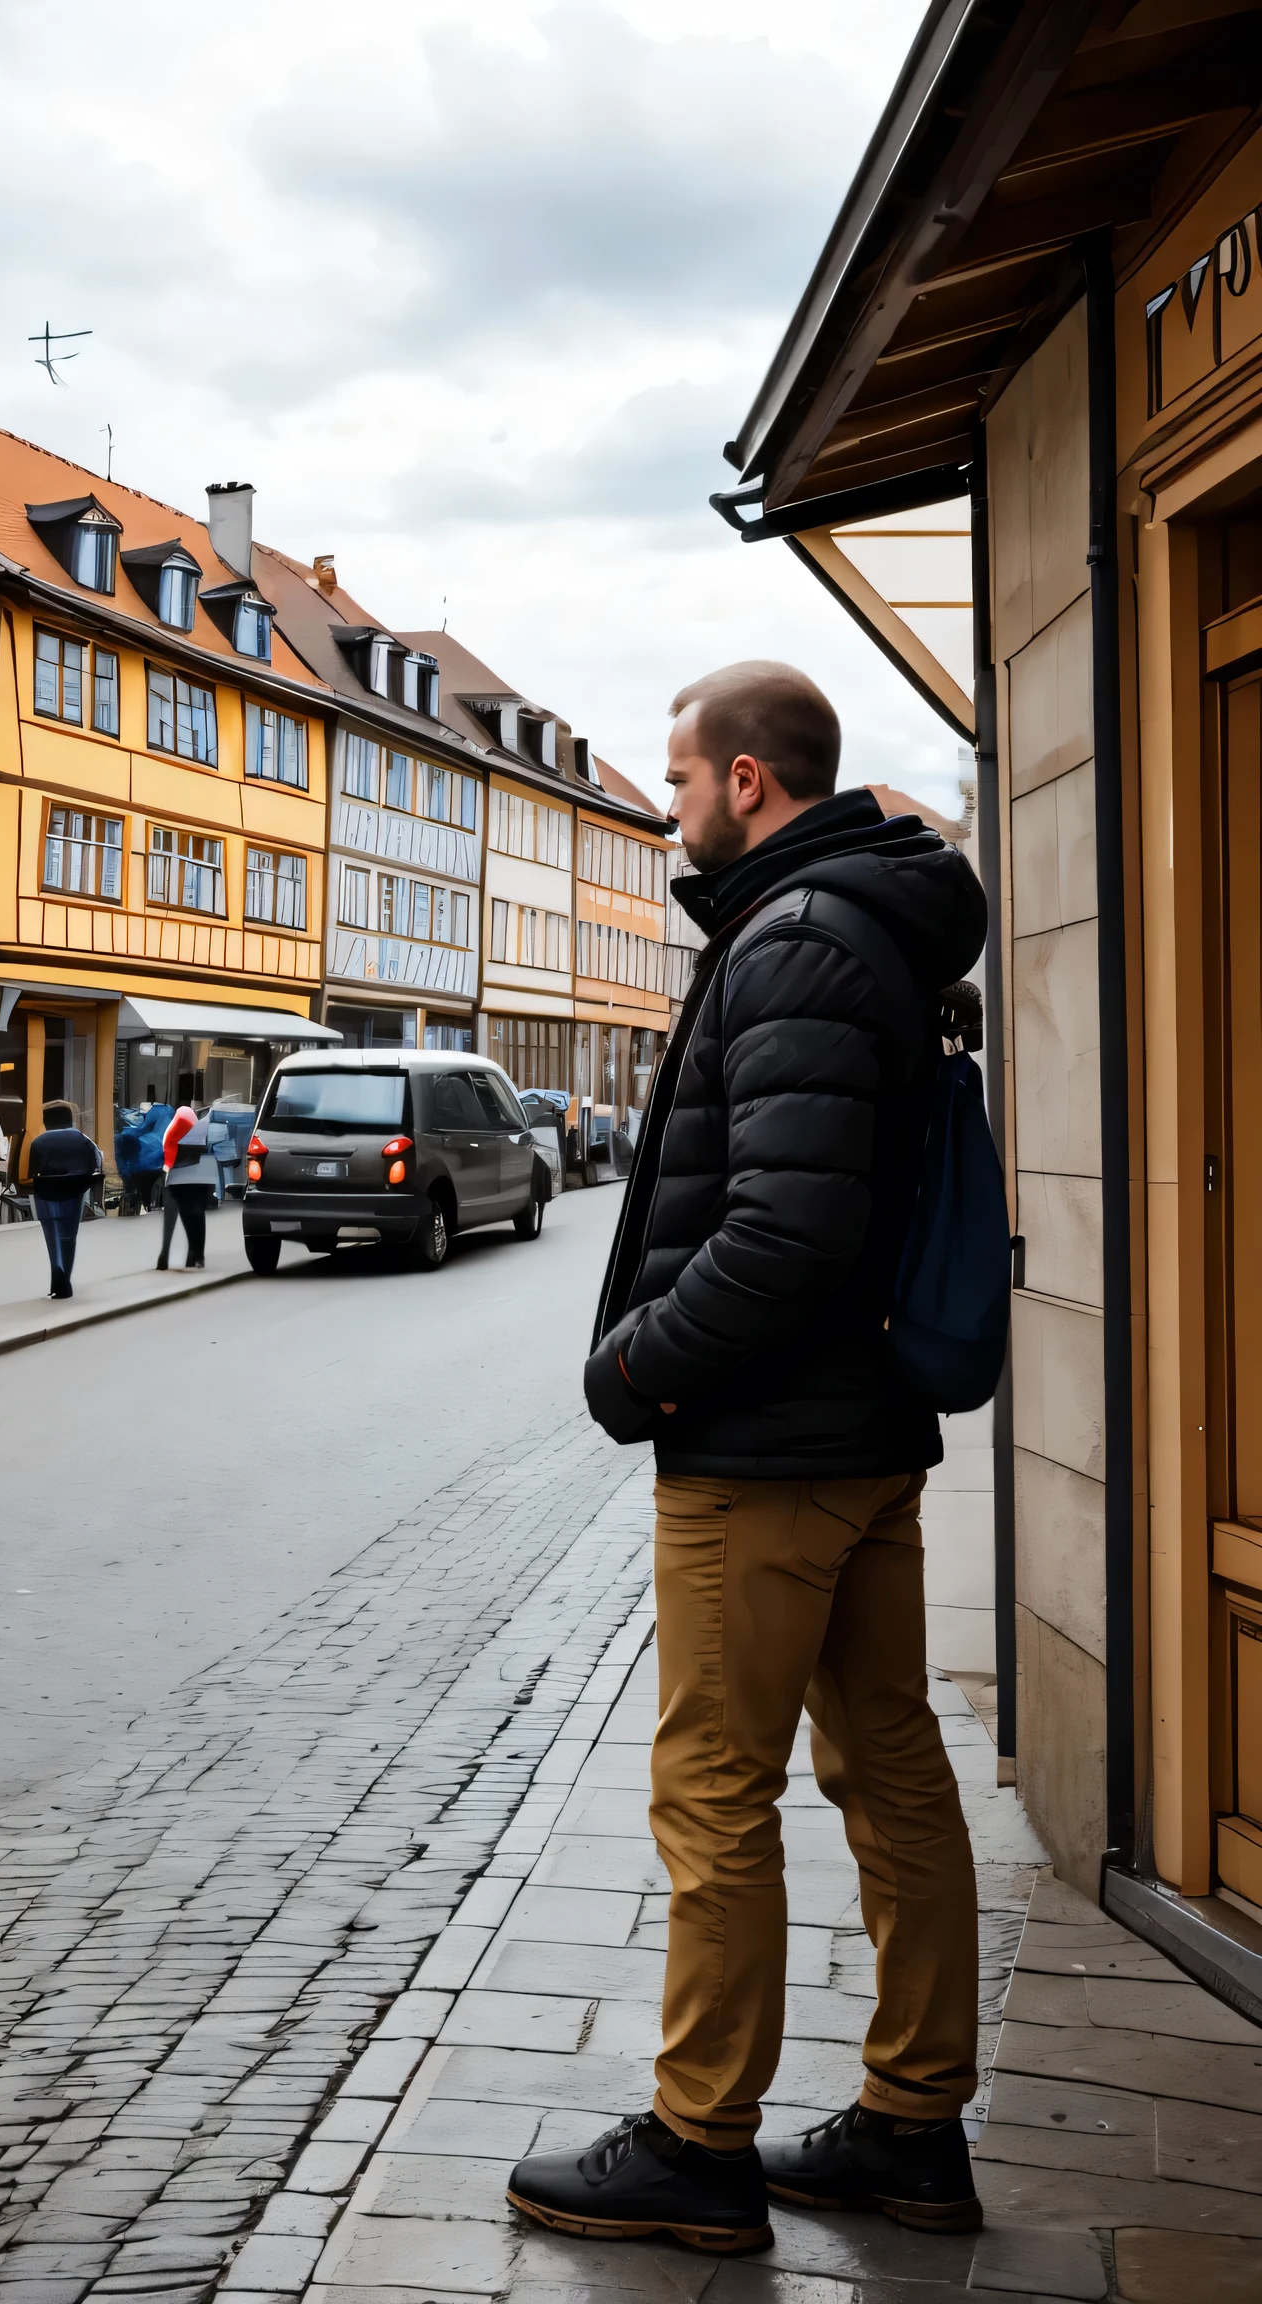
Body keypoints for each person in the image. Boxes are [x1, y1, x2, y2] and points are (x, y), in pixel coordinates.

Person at [507, 663, 989, 2253]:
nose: (670, 803)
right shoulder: (873, 926)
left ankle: (700, 2144)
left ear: (749, 784)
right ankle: (912, 2126)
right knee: (889, 1764)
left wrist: (637, 1368)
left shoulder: (790, 945)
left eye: (681, 778)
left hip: (766, 1454)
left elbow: (783, 1231)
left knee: (716, 1789)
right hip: (863, 1441)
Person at [25, 1101, 101, 1299]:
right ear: (69, 1119)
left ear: (46, 1121)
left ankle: (57, 1278)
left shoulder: (38, 1142)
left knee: (52, 1238)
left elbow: (31, 1171)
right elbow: (96, 1163)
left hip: (45, 1195)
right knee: (69, 1237)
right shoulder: (82, 1139)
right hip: (73, 1193)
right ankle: (64, 1280)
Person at [156, 1105, 216, 1270]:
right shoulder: (200, 1133)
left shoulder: (172, 1132)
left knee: (173, 1218)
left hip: (176, 1181)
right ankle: (196, 1256)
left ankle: (165, 1254)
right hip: (197, 1180)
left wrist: (166, 1170)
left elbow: (167, 1151)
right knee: (195, 1218)